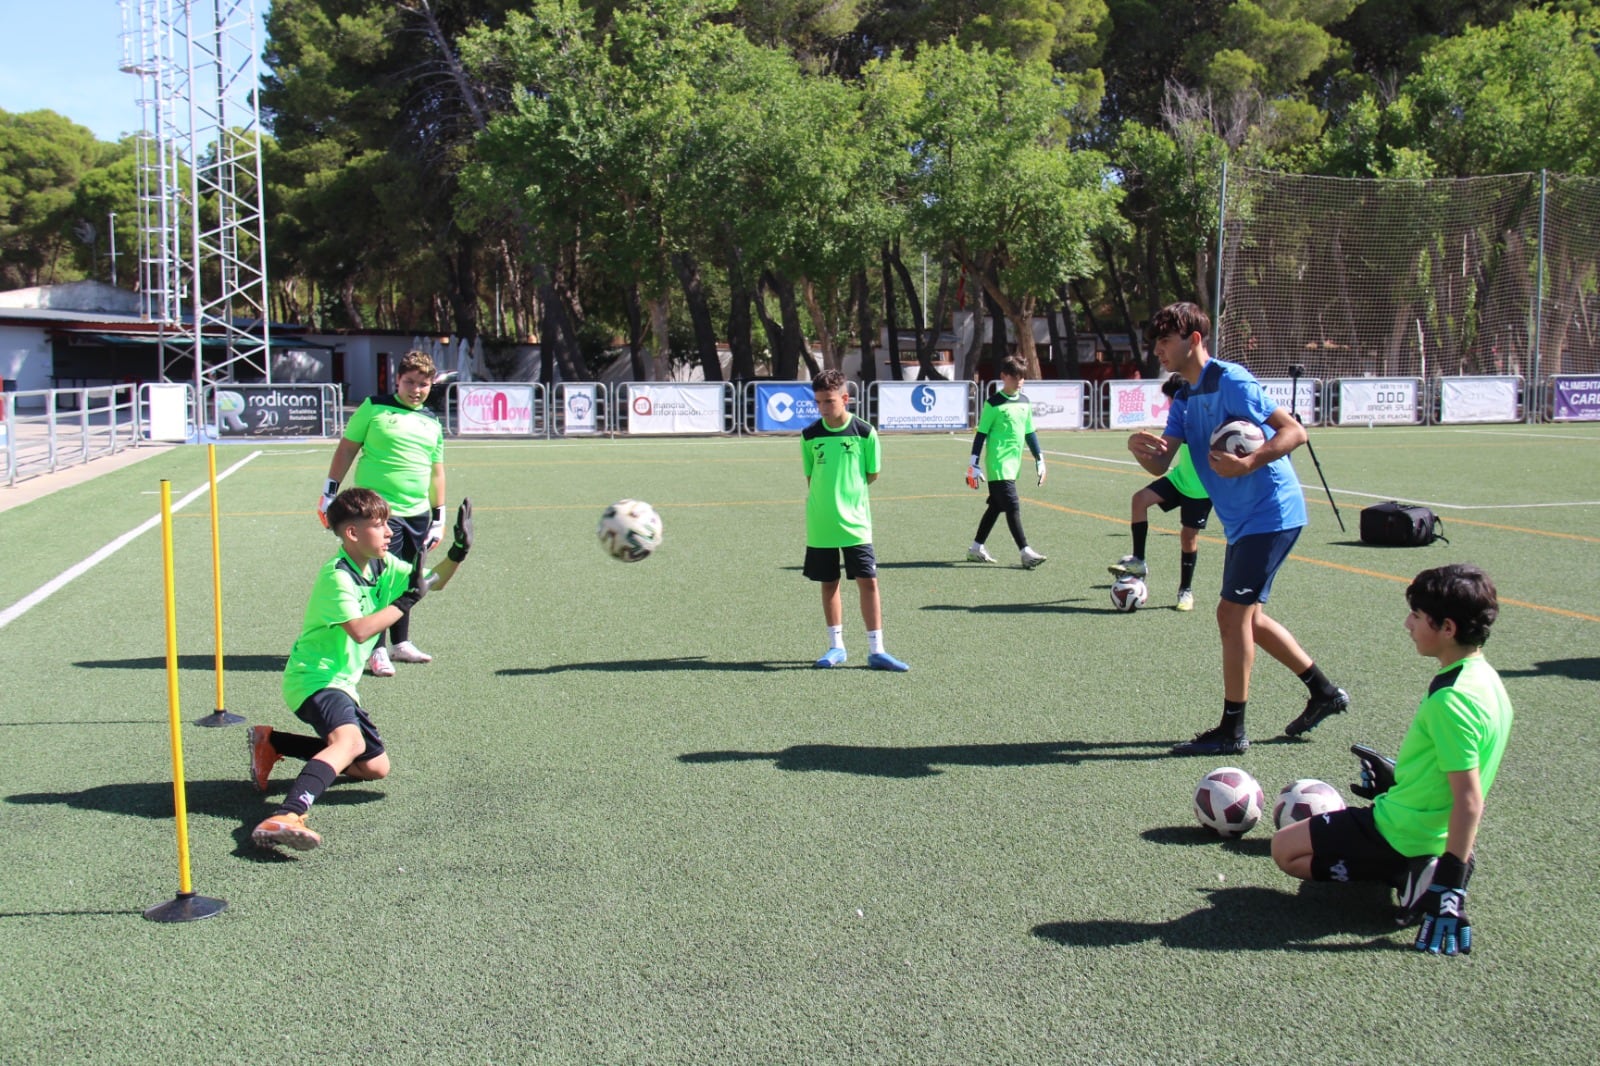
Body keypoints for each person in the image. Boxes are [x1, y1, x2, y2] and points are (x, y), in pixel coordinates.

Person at [1126, 302, 1348, 754]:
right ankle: (1324, 693)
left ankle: (1232, 731)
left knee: (1231, 616)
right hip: (1243, 522)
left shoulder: (1232, 380)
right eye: (1155, 343)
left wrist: (1248, 461)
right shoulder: (1184, 396)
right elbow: (1162, 459)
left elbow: (1294, 432)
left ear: (1193, 340)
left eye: (1165, 341)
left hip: (1273, 513)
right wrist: (1137, 447)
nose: (1158, 351)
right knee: (1251, 619)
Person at [1271, 564, 1512, 957]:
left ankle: (1408, 870)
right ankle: (1417, 865)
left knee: (1286, 851)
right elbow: (1455, 770)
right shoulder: (1484, 680)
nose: (1407, 624)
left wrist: (1453, 881)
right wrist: (1395, 778)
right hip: (1425, 821)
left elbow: (1470, 799)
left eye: (1417, 616)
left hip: (1402, 828)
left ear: (1447, 628)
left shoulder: (1452, 701)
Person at [249, 488, 473, 851]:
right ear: (352, 533)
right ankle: (288, 814)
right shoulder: (336, 577)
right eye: (380, 524)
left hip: (341, 684)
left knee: (374, 768)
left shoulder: (383, 567)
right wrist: (407, 600)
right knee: (349, 742)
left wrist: (457, 554)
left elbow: (431, 582)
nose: (389, 532)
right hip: (315, 678)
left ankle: (275, 742)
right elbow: (361, 630)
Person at [320, 350, 447, 676]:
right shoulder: (374, 407)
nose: (416, 389)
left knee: (407, 577)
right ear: (397, 380)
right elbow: (347, 447)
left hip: (417, 514)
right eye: (410, 382)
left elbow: (436, 471)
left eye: (423, 384)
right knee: (377, 580)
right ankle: (374, 650)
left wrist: (439, 516)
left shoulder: (432, 421)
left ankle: (400, 643)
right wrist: (329, 491)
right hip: (377, 514)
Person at [801, 369, 908, 672]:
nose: (823, 408)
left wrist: (849, 497)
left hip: (856, 522)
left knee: (868, 581)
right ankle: (836, 647)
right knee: (829, 582)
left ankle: (877, 650)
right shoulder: (809, 435)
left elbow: (871, 474)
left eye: (829, 401)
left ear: (845, 399)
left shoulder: (864, 433)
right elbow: (812, 477)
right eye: (819, 402)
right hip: (821, 523)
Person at [1110, 374, 1212, 611]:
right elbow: (1161, 458)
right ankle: (1139, 561)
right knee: (1140, 500)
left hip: (1199, 487)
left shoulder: (1200, 412)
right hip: (1180, 478)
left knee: (1188, 537)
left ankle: (1185, 590)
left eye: (1170, 399)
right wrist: (1139, 445)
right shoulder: (1182, 413)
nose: (1170, 405)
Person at [965, 355, 1047, 569]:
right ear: (1004, 377)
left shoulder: (1025, 402)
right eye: (1015, 377)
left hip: (1014, 465)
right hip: (998, 464)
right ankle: (1025, 551)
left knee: (996, 507)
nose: (1019, 381)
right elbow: (981, 434)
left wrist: (1040, 459)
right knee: (1012, 505)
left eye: (1022, 377)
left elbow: (1030, 432)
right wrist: (973, 463)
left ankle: (976, 548)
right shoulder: (993, 403)